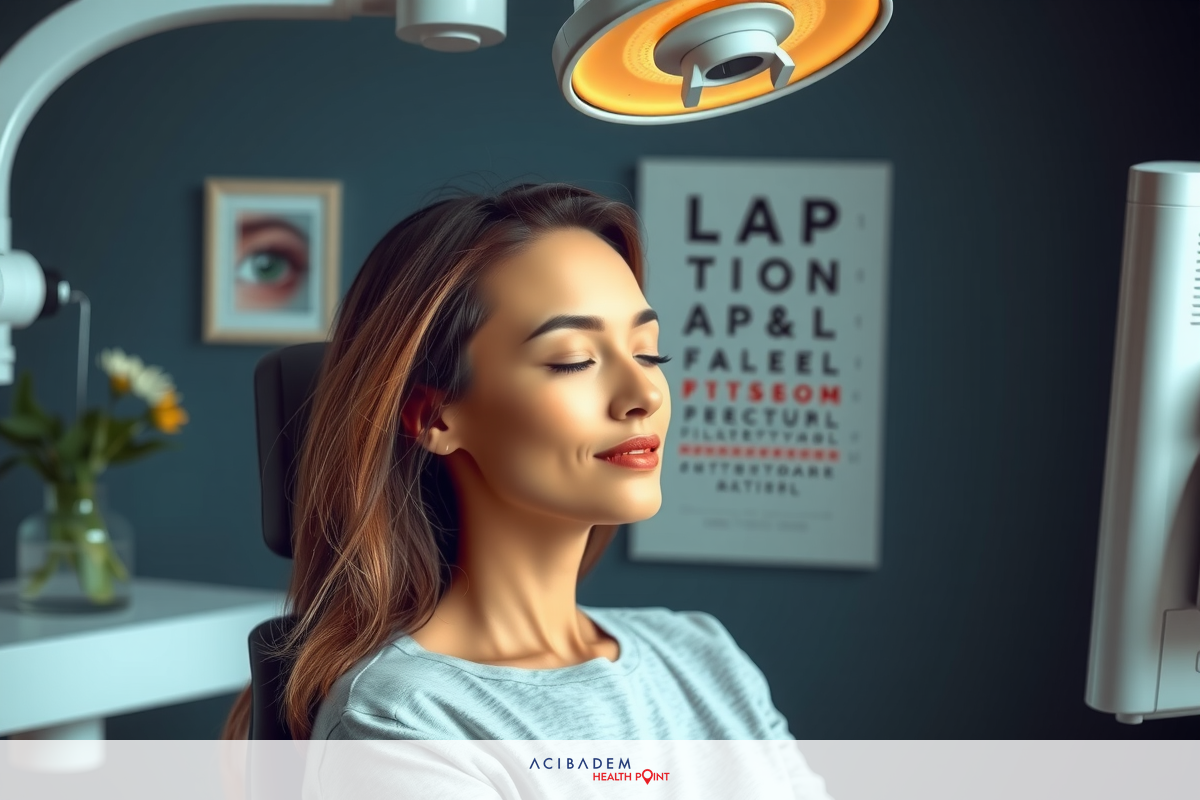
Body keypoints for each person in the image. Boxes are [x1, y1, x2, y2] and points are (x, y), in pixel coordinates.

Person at [220, 182, 832, 796]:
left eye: (649, 354)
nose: (644, 396)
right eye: (572, 359)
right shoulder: (407, 725)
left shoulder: (700, 653)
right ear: (434, 416)